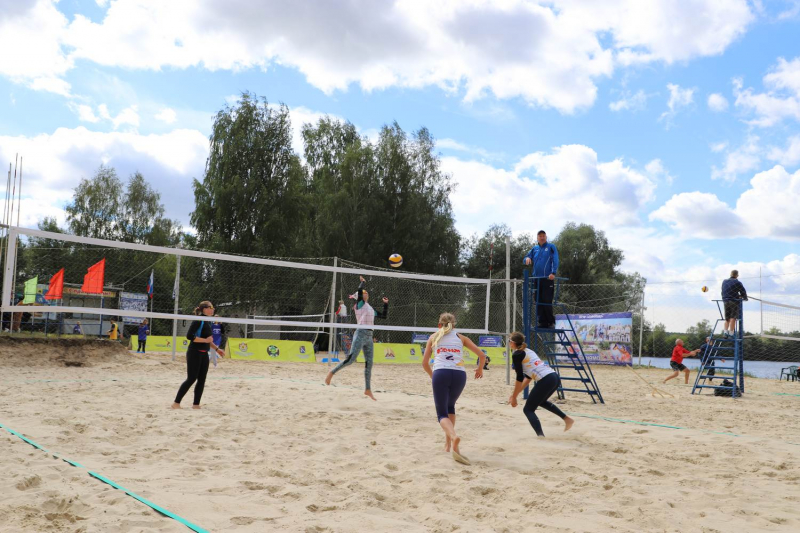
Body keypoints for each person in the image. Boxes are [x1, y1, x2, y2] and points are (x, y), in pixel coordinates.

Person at [422, 313, 485, 465]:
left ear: (439, 325)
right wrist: (479, 369)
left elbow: (424, 363)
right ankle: (449, 445)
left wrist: (433, 376)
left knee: (441, 414)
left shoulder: (433, 337)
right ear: (454, 325)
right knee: (450, 407)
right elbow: (482, 355)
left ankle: (453, 437)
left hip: (441, 373)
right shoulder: (461, 338)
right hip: (459, 375)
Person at [325, 276, 388, 401]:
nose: (366, 293)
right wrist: (362, 283)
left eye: (366, 292)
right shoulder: (359, 305)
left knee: (369, 363)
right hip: (360, 333)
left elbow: (383, 316)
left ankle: (367, 389)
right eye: (364, 292)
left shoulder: (370, 308)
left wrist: (386, 304)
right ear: (360, 296)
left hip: (369, 336)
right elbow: (359, 292)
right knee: (351, 359)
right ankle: (331, 373)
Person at [507, 331, 574, 437]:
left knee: (528, 409)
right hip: (554, 377)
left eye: (509, 341)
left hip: (546, 379)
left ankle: (541, 437)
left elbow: (519, 378)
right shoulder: (528, 351)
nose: (508, 343)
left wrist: (514, 397)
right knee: (541, 402)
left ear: (513, 343)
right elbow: (528, 377)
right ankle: (567, 419)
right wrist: (514, 395)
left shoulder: (517, 354)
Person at [172, 301, 226, 409]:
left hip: (204, 353)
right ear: (204, 309)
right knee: (191, 378)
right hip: (194, 352)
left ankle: (196, 404)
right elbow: (189, 336)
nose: (213, 309)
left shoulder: (208, 321)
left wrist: (217, 349)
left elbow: (208, 340)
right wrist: (205, 340)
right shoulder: (198, 320)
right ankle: (176, 403)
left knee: (202, 380)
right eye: (211, 307)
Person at [523, 230, 559, 329]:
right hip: (536, 279)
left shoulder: (551, 247)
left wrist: (553, 272)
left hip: (547, 278)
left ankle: (550, 322)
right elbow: (526, 258)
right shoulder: (535, 248)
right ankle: (542, 322)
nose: (542, 237)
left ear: (546, 237)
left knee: (546, 300)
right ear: (537, 238)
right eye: (540, 236)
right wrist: (527, 259)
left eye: (543, 236)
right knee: (538, 300)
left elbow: (555, 259)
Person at [721, 270, 748, 338]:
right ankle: (731, 333)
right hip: (733, 301)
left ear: (730, 274)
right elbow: (743, 291)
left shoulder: (724, 281)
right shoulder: (737, 282)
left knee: (727, 318)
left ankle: (725, 332)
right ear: (737, 275)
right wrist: (745, 297)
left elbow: (723, 291)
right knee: (733, 318)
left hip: (725, 300)